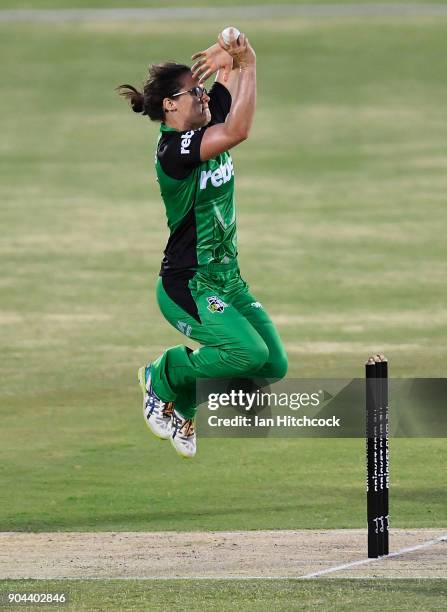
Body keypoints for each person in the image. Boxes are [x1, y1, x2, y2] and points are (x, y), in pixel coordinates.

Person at [117, 30, 288, 459]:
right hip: (188, 284)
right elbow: (239, 130)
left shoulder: (203, 119)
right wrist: (244, 64)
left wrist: (237, 53)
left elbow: (229, 73)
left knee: (272, 366)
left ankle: (185, 402)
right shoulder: (174, 152)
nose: (204, 97)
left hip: (227, 277)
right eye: (195, 92)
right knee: (245, 352)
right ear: (170, 105)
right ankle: (166, 372)